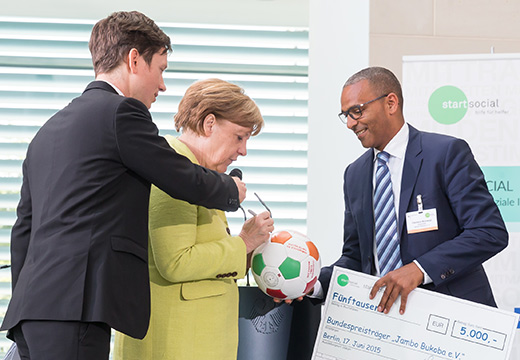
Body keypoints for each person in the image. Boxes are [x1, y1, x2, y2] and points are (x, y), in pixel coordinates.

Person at [0, 12, 248, 360]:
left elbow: (23, 230)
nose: (162, 85)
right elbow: (178, 174)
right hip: (78, 308)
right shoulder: (121, 113)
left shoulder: (48, 131)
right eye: (160, 69)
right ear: (134, 59)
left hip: (32, 310)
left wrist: (27, 300)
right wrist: (231, 190)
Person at [316, 66, 508, 314]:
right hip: (385, 324)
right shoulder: (354, 174)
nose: (351, 124)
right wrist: (312, 284)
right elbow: (356, 257)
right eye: (346, 115)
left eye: (357, 111)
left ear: (391, 103)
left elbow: (489, 232)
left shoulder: (445, 154)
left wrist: (419, 269)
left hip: (451, 320)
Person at [113, 78, 274, 359]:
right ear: (209, 123)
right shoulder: (175, 169)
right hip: (174, 344)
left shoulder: (199, 175)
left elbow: (203, 260)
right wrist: (243, 242)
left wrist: (250, 254)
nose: (243, 151)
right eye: (239, 137)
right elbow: (175, 262)